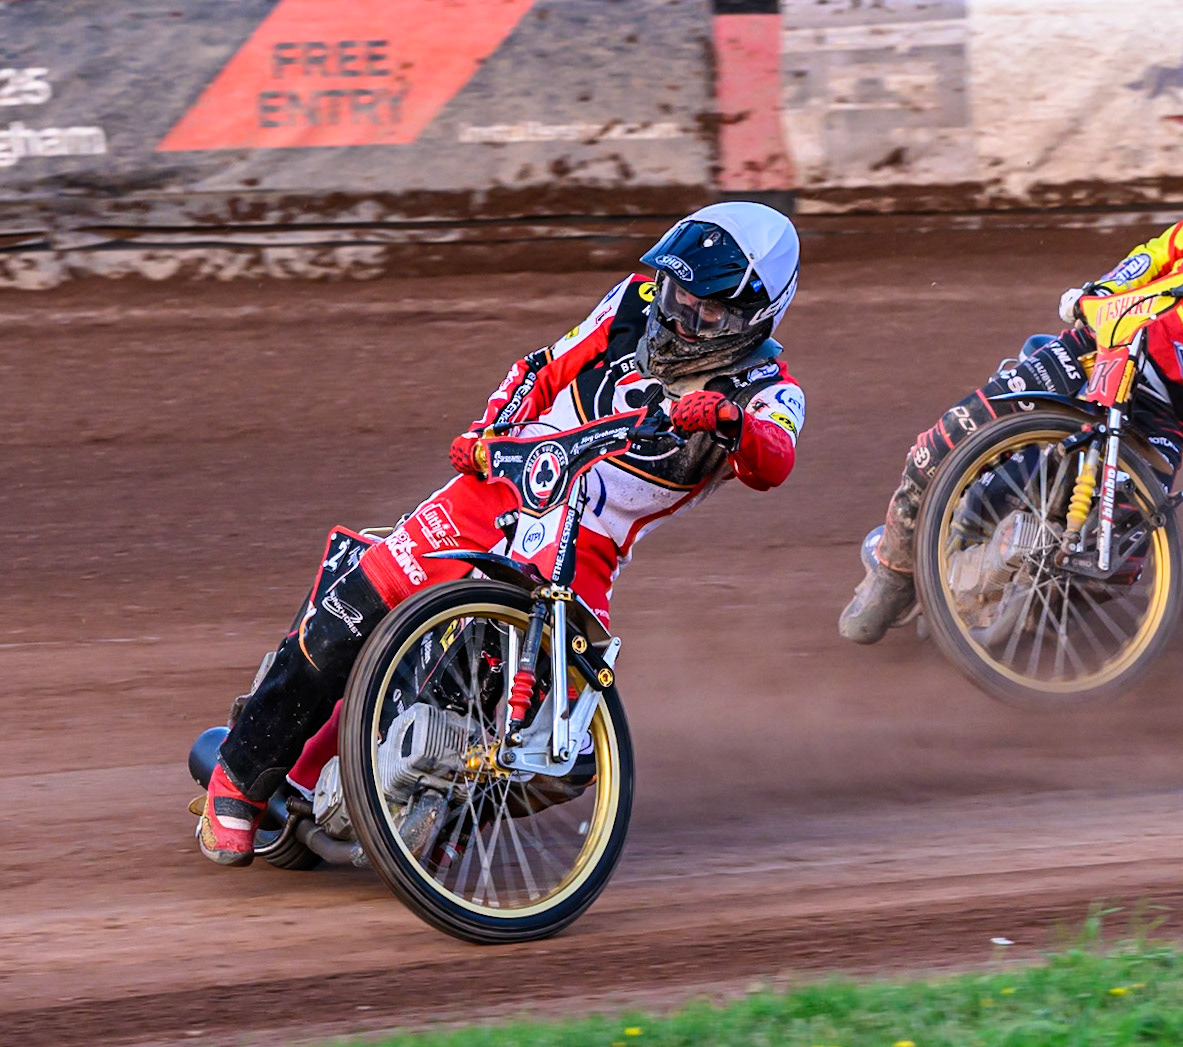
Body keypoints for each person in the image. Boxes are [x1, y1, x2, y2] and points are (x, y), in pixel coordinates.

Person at [199, 201, 807, 865]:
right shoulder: (633, 299)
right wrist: (486, 432)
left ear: (757, 314)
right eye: (675, 292)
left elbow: (773, 458)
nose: (680, 314)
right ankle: (243, 773)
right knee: (353, 607)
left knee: (567, 755)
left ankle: (448, 817)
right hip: (505, 483)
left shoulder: (769, 388)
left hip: (591, 546)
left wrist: (730, 422)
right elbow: (541, 367)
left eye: (706, 310)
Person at [839, 104, 1183, 644]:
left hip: (1166, 411)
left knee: (1119, 563)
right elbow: (1157, 255)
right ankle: (894, 573)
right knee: (946, 441)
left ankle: (1010, 616)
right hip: (1099, 347)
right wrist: (1100, 290)